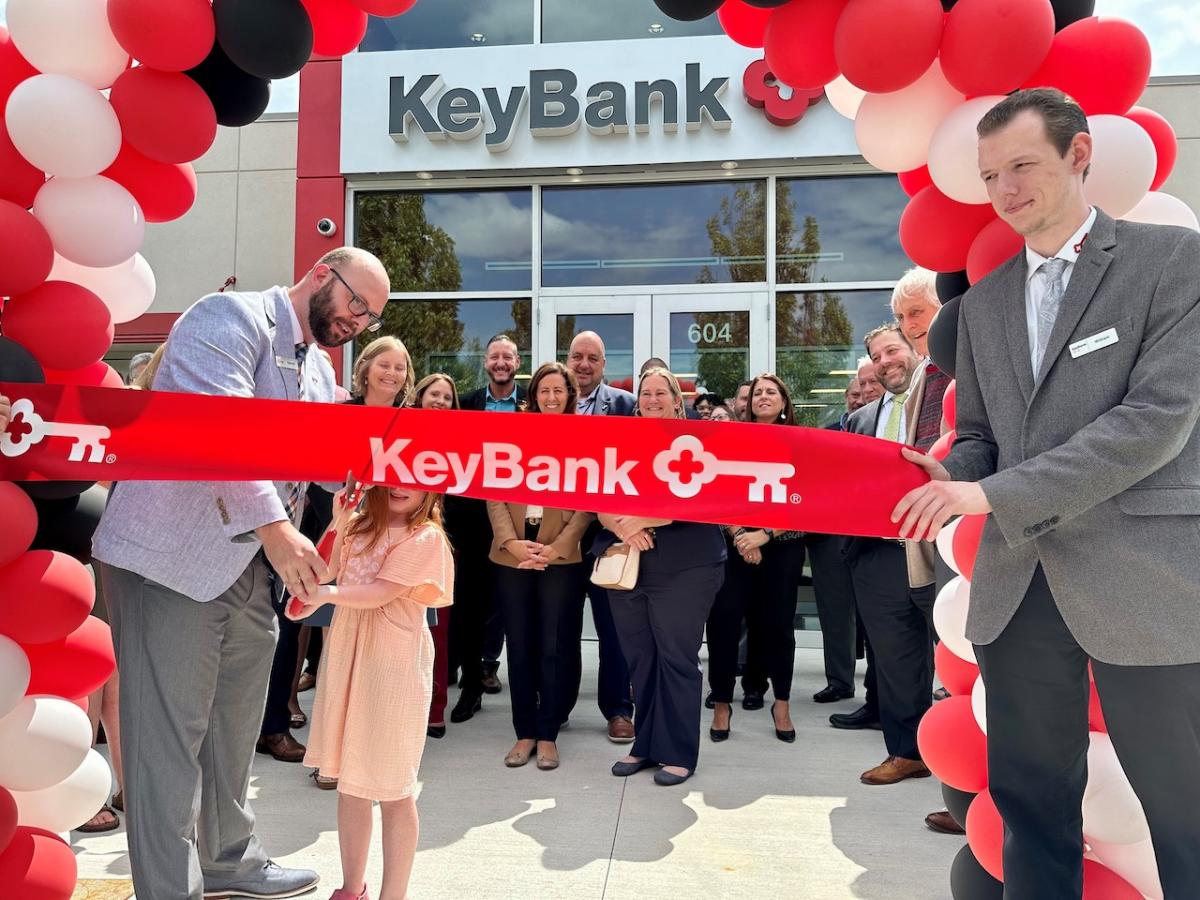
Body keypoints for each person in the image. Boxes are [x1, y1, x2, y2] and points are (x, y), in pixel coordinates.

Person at [893, 88, 1200, 898]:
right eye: (991, 174)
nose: (1006, 189)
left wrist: (989, 495)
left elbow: (1156, 421)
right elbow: (980, 439)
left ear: (1080, 155)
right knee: (1032, 813)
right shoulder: (981, 309)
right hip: (1018, 586)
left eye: (1023, 165)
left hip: (1147, 580)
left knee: (1185, 812)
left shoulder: (1171, 263)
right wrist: (950, 478)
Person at [92, 246, 388, 900]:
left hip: (252, 572)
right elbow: (214, 430)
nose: (358, 323)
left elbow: (315, 458)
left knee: (232, 731)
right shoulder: (228, 318)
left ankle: (230, 859)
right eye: (356, 306)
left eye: (369, 319)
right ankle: (169, 888)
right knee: (167, 743)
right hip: (169, 561)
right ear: (322, 275)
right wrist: (280, 533)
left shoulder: (317, 372)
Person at [261, 335, 418, 767]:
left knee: (372, 642)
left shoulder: (412, 422)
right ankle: (278, 728)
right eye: (383, 364)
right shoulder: (337, 415)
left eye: (400, 367)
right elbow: (315, 475)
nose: (392, 373)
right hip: (327, 534)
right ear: (364, 369)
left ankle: (367, 742)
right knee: (299, 634)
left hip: (387, 542)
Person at [294, 483, 453, 900]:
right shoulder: (360, 527)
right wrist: (340, 516)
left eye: (414, 480)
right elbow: (324, 568)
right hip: (350, 654)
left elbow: (382, 591)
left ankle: (392, 895)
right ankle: (352, 888)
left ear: (431, 492)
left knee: (395, 788)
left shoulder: (427, 537)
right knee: (351, 781)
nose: (401, 487)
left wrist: (324, 595)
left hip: (393, 662)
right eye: (392, 477)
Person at [600, 367, 726, 786]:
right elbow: (596, 495)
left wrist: (637, 519)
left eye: (660, 392)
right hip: (633, 567)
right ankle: (646, 744)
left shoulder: (699, 441)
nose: (652, 399)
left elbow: (698, 499)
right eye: (645, 393)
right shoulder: (623, 442)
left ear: (678, 399)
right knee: (641, 658)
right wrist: (623, 528)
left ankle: (678, 752)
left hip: (688, 567)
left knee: (676, 659)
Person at [840, 324, 938, 786]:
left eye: (891, 350)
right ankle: (907, 752)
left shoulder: (941, 398)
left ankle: (977, 763)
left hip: (939, 549)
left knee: (964, 660)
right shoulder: (858, 421)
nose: (884, 362)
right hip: (878, 556)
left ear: (913, 349)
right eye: (876, 356)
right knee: (896, 662)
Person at [487, 362, 594, 771]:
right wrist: (511, 543)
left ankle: (548, 732)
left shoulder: (584, 438)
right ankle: (524, 732)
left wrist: (559, 546)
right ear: (534, 396)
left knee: (555, 645)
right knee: (520, 643)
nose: (551, 397)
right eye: (544, 390)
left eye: (558, 390)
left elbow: (587, 502)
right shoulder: (511, 432)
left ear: (570, 395)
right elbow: (492, 493)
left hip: (560, 558)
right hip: (511, 555)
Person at [707, 374, 805, 744]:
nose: (764, 397)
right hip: (734, 546)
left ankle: (781, 703)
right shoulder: (732, 440)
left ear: (784, 401)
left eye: (772, 391)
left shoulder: (802, 442)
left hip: (782, 548)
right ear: (746, 403)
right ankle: (721, 703)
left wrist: (763, 535)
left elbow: (807, 497)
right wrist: (739, 535)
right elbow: (718, 492)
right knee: (723, 625)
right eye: (758, 392)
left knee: (777, 628)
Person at [454, 335, 528, 720]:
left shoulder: (532, 405)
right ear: (486, 362)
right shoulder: (465, 404)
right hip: (471, 521)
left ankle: (523, 690)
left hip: (519, 521)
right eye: (494, 356)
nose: (501, 362)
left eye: (507, 357)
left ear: (517, 362)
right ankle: (470, 688)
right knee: (469, 606)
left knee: (513, 605)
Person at [568, 331, 638, 743]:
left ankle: (618, 709)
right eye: (577, 356)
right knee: (560, 627)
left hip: (607, 536)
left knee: (614, 628)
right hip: (558, 536)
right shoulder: (550, 401)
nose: (584, 365)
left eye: (593, 358)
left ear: (603, 364)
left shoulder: (627, 406)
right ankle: (557, 704)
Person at [804, 374, 867, 706]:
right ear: (846, 397)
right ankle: (840, 681)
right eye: (853, 394)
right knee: (834, 611)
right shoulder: (826, 436)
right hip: (829, 537)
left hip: (872, 535)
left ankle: (879, 685)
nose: (859, 398)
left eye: (865, 392)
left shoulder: (882, 433)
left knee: (876, 613)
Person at [412, 373, 462, 740]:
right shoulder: (401, 432)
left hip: (440, 547)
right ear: (420, 397)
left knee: (438, 632)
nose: (441, 401)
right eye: (435, 394)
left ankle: (435, 710)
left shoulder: (461, 441)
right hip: (399, 543)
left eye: (447, 397)